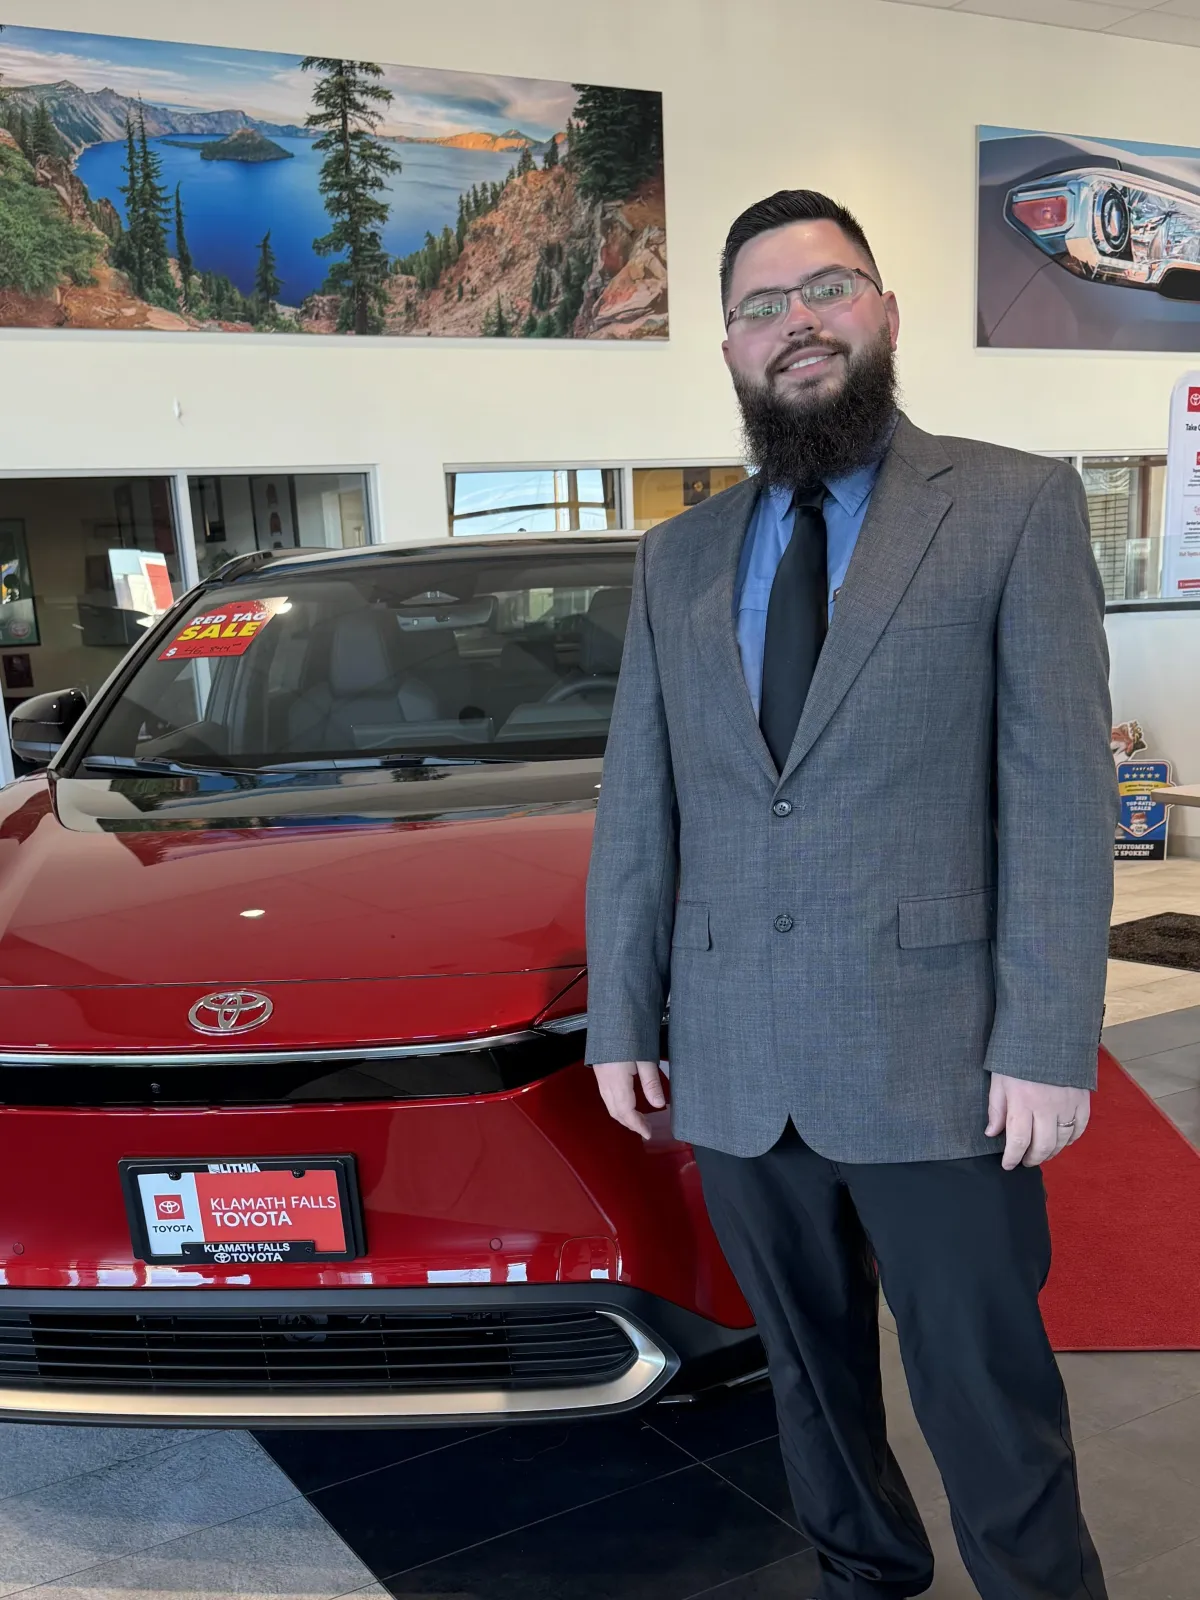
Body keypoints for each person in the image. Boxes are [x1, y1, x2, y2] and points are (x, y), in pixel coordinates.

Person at [584, 190, 1118, 1600]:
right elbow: (642, 804)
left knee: (987, 1394)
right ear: (729, 348)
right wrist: (623, 1017)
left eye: (826, 288)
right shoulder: (678, 557)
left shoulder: (1011, 505)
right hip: (738, 1056)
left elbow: (1060, 794)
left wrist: (1047, 1040)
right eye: (762, 306)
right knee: (810, 1388)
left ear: (884, 309)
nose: (797, 323)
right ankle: (863, 1576)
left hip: (942, 1057)